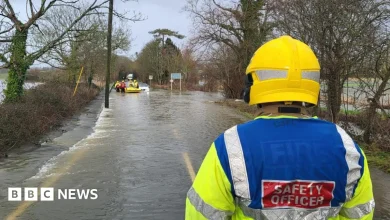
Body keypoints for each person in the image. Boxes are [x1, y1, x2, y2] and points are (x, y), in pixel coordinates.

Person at [185, 36, 374, 220]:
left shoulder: (230, 146)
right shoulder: (347, 147)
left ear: (253, 84)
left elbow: (201, 215)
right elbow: (361, 215)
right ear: (313, 85)